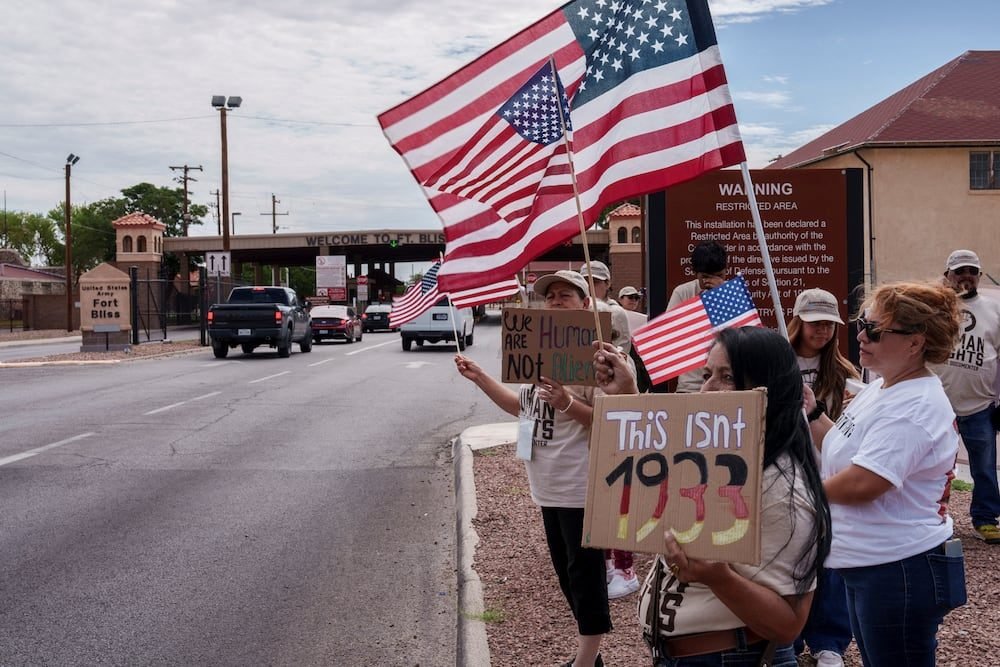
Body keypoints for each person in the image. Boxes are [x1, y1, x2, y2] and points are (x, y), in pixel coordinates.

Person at [595, 326, 831, 666]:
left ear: (769, 388)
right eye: (707, 375)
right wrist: (626, 394)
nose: (707, 389)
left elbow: (788, 625)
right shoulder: (718, 458)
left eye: (727, 377)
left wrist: (719, 578)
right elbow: (659, 453)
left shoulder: (782, 492)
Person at [805, 280, 966, 666]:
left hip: (898, 569)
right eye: (863, 324)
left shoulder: (913, 405)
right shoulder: (884, 388)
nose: (861, 335)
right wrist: (812, 413)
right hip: (875, 565)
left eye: (875, 330)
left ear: (915, 342)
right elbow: (845, 447)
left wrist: (799, 494)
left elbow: (864, 482)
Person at [455, 269, 611, 667]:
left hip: (580, 485)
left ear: (585, 303)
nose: (555, 300)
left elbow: (609, 420)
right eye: (550, 295)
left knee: (585, 575)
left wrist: (567, 402)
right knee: (566, 573)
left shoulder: (596, 357)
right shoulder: (537, 354)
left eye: (565, 295)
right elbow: (521, 408)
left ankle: (587, 661)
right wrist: (480, 378)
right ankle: (591, 656)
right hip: (546, 485)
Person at [788, 288, 860, 667]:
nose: (823, 330)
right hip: (784, 472)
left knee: (831, 556)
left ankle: (829, 640)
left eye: (829, 323)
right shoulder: (777, 364)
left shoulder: (845, 373)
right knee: (789, 555)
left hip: (828, 472)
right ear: (798, 321)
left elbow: (851, 430)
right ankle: (787, 637)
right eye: (815, 322)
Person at [580, 260, 639, 599]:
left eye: (596, 280)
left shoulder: (614, 315)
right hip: (592, 434)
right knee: (599, 499)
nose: (592, 284)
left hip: (617, 425)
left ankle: (625, 568)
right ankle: (605, 561)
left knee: (620, 499)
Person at [932, 249, 1000, 544]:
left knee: (984, 467)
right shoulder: (933, 309)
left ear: (980, 276)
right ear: (947, 275)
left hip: (980, 405)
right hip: (937, 405)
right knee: (932, 466)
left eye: (972, 271)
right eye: (959, 271)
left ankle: (986, 519)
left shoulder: (994, 311)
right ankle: (929, 518)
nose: (966, 276)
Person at [667, 241, 729, 394]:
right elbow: (670, 336)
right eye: (706, 277)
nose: (714, 281)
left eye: (719, 276)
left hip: (727, 385)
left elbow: (744, 339)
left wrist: (722, 299)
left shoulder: (733, 294)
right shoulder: (683, 293)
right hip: (690, 386)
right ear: (696, 273)